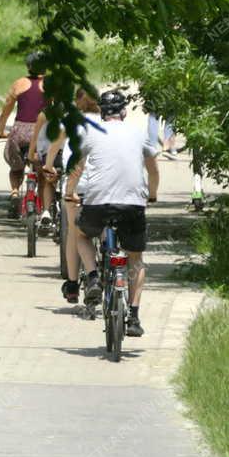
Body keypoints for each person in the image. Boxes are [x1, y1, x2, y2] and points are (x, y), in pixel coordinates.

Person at [65, 90, 159, 337]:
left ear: (102, 113)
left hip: (97, 203)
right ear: (124, 112)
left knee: (81, 234)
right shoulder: (139, 134)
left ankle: (94, 276)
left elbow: (77, 165)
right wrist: (152, 194)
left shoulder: (92, 132)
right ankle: (135, 318)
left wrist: (70, 192)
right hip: (132, 205)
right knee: (136, 259)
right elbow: (153, 170)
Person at [44, 89, 101, 303]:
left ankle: (73, 284)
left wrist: (49, 166)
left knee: (75, 234)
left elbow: (54, 147)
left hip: (77, 183)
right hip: (106, 183)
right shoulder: (108, 122)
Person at [0, 52, 47, 218]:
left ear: (28, 66)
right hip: (41, 132)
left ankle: (15, 192)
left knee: (16, 167)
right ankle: (43, 204)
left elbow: (6, 110)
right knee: (43, 169)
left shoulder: (19, 83)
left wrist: (0, 131)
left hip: (20, 132)